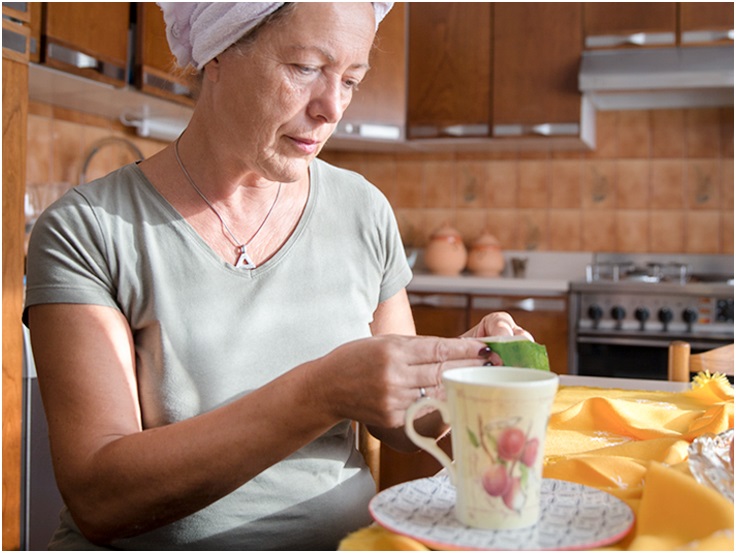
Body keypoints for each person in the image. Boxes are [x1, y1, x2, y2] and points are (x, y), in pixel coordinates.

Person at [24, 3, 533, 550]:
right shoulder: (87, 230)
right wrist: (322, 391)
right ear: (218, 52)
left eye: (352, 80)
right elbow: (101, 498)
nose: (331, 107)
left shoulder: (362, 209)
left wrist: (460, 373)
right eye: (306, 68)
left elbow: (405, 424)